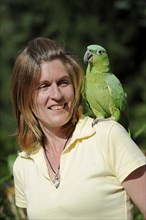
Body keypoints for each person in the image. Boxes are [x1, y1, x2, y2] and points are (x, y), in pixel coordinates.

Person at [11, 37, 146, 220]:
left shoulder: (108, 135)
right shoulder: (23, 164)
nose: (56, 95)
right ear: (25, 96)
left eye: (63, 82)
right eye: (44, 86)